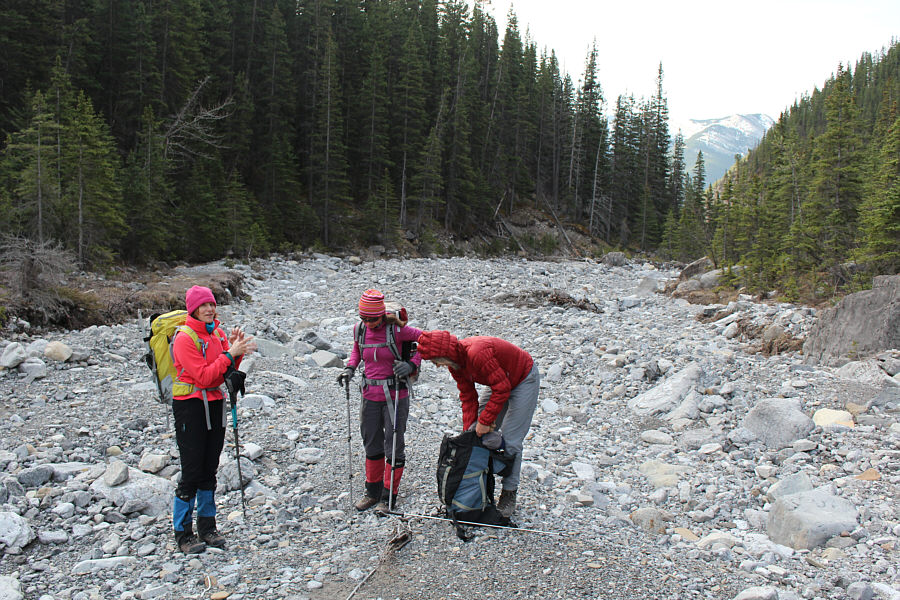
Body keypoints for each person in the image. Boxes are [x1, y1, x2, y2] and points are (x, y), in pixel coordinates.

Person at [415, 330, 539, 518]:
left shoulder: (476, 354)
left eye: (436, 361)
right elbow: (467, 396)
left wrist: (485, 421)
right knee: (475, 433)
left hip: (523, 378)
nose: (438, 366)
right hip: (499, 381)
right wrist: (469, 433)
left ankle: (509, 492)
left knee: (511, 441)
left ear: (445, 354)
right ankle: (479, 488)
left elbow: (502, 389)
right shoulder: (455, 365)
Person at [171, 285, 256, 554]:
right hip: (190, 407)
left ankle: (207, 527)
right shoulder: (184, 338)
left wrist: (236, 352)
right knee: (192, 471)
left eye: (211, 304)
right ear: (193, 309)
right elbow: (204, 377)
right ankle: (183, 534)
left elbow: (225, 371)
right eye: (204, 306)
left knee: (210, 468)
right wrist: (231, 352)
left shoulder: (216, 333)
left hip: (214, 404)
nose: (209, 309)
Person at [337, 289, 422, 514]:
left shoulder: (398, 330)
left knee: (393, 444)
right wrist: (349, 369)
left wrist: (411, 364)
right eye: (363, 318)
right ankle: (372, 492)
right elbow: (357, 352)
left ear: (381, 315)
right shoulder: (360, 330)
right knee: (371, 442)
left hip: (396, 395)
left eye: (372, 319)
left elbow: (426, 341)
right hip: (369, 395)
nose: (368, 323)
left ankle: (388, 496)